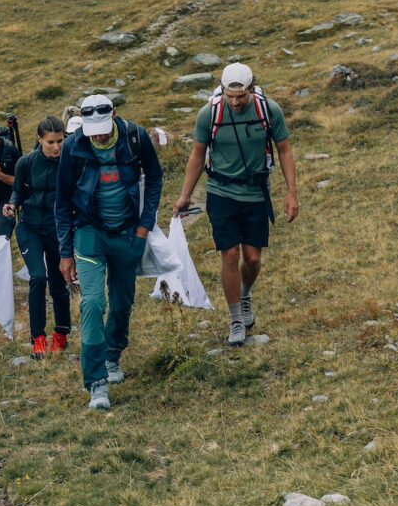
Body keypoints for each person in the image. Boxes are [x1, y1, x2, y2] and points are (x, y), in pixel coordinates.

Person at [172, 63, 299, 347]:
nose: (235, 102)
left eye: (240, 96)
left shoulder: (270, 111)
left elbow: (284, 149)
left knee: (252, 258)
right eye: (230, 96)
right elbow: (197, 155)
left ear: (252, 89)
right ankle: (236, 320)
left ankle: (244, 294)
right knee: (229, 254)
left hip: (255, 191)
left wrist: (292, 193)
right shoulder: (210, 114)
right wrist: (185, 195)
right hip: (221, 191)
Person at [55, 94, 163, 411]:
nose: (99, 135)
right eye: (93, 130)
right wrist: (65, 252)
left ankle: (113, 353)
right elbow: (62, 203)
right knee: (92, 303)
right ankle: (96, 383)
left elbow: (155, 177)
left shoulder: (134, 136)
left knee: (121, 302)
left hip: (129, 233)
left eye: (103, 128)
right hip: (89, 232)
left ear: (114, 115)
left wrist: (145, 224)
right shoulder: (73, 147)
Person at [3, 116, 71, 359]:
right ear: (40, 139)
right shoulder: (26, 163)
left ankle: (61, 334)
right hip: (30, 227)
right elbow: (17, 192)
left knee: (57, 280)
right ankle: (38, 339)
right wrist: (11, 205)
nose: (56, 147)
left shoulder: (70, 161)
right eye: (51, 142)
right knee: (38, 278)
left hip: (57, 229)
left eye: (60, 141)